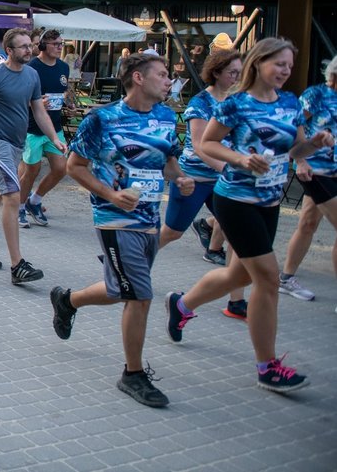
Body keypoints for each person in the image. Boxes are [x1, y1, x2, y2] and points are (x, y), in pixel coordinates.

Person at [165, 38, 334, 394]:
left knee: (237, 273)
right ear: (258, 63)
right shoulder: (236, 104)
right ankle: (267, 366)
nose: (286, 72)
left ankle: (182, 305)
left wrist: (314, 144)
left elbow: (293, 149)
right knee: (268, 279)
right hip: (236, 200)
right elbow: (207, 143)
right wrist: (241, 160)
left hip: (269, 203)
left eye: (290, 65)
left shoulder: (290, 103)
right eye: (280, 64)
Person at [50, 52, 192, 408]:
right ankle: (133, 374)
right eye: (162, 74)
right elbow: (74, 166)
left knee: (121, 289)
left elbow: (169, 164)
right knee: (140, 295)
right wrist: (110, 194)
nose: (168, 80)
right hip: (114, 219)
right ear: (139, 78)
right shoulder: (103, 119)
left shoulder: (165, 115)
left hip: (148, 218)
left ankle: (68, 300)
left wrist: (181, 180)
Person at [0, 29, 64, 284]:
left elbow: (39, 111)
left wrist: (54, 138)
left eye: (30, 45)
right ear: (9, 51)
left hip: (16, 145)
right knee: (12, 195)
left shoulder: (31, 75)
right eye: (23, 47)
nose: (29, 50)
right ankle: (18, 264)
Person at [156, 49, 249, 318]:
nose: (237, 77)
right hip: (194, 177)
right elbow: (199, 146)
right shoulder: (200, 102)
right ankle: (130, 262)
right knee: (172, 231)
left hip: (224, 180)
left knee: (237, 234)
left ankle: (236, 301)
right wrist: (228, 168)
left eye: (240, 73)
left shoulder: (238, 102)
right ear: (216, 72)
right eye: (232, 72)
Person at [278, 55, 337, 304]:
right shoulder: (317, 94)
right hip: (315, 170)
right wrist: (299, 161)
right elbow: (293, 126)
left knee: (308, 224)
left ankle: (286, 278)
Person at [17, 30, 70, 228]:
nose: (59, 47)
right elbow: (19, 96)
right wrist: (36, 104)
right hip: (32, 128)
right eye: (55, 43)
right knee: (31, 171)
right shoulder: (31, 67)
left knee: (60, 168)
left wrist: (67, 102)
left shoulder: (63, 67)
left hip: (55, 127)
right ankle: (19, 207)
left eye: (61, 44)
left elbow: (65, 90)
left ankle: (35, 201)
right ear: (42, 46)